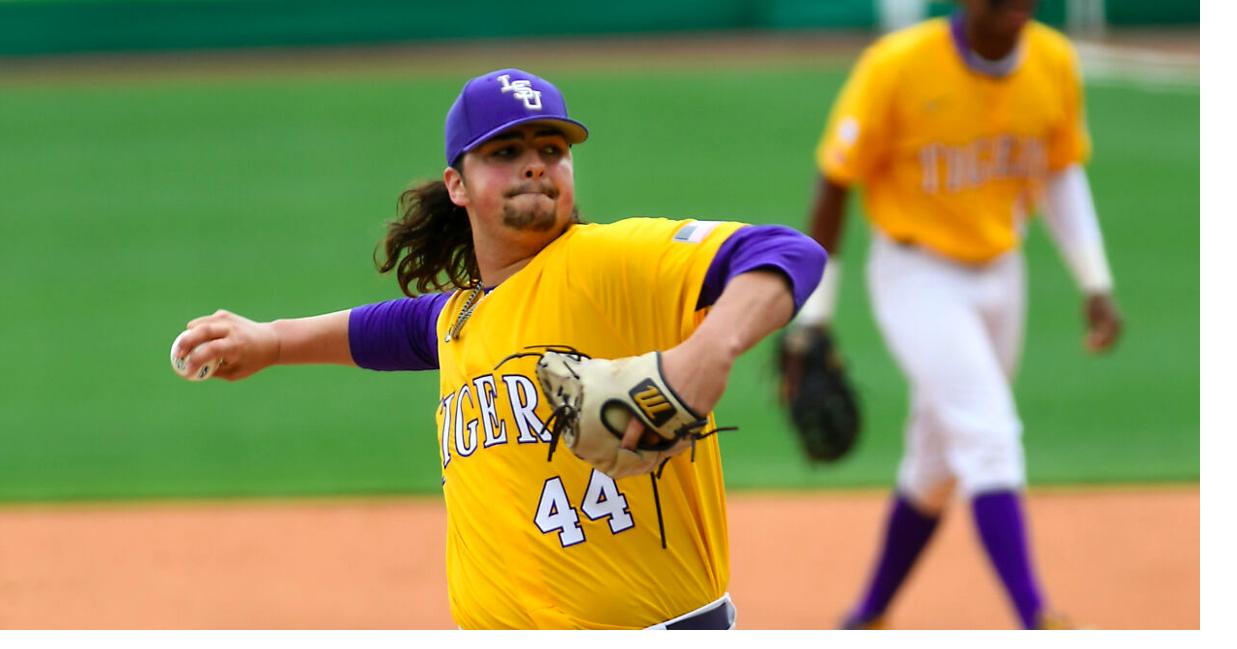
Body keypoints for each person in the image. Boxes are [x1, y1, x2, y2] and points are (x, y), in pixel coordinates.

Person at [173, 68, 826, 629]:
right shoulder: (462, 313)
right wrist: (272, 341)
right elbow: (386, 330)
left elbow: (786, 252)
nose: (535, 162)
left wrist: (703, 355)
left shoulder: (603, 262)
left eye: (551, 146)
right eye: (504, 151)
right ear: (456, 184)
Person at [779, 0, 1123, 630]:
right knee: (988, 434)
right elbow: (836, 180)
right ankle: (1033, 614)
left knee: (937, 465)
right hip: (916, 275)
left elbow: (1059, 169)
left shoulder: (1053, 61)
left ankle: (868, 615)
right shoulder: (896, 66)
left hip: (1002, 273)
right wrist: (815, 317)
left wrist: (1094, 282)